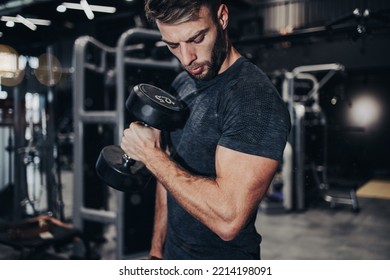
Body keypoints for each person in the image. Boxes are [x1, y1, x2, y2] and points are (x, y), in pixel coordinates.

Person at [120, 0, 291, 260]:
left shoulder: (253, 99)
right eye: (173, 45)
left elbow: (229, 221)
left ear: (222, 17)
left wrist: (151, 155)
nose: (187, 58)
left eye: (197, 38)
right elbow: (167, 178)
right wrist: (157, 252)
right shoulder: (183, 83)